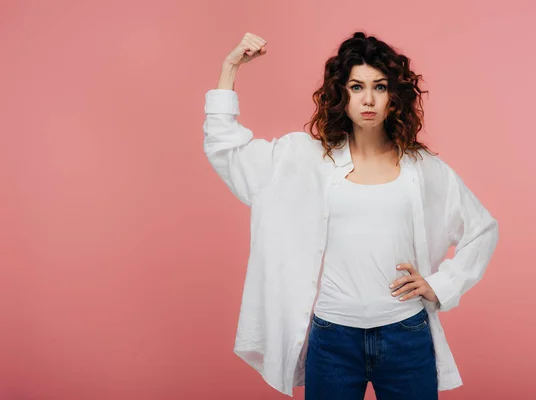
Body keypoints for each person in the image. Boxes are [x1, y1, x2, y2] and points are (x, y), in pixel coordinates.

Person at [203, 31, 499, 399]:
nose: (369, 99)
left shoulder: (421, 169)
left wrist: (441, 285)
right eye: (357, 87)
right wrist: (230, 68)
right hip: (332, 339)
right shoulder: (303, 159)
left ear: (394, 96)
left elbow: (482, 229)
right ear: (341, 94)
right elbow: (226, 150)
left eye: (379, 87)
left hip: (405, 335)